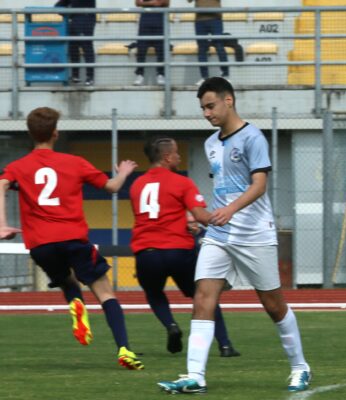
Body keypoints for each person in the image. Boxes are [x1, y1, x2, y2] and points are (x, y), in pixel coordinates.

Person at [157, 77, 311, 394]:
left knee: (272, 305)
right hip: (219, 234)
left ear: (229, 101)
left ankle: (300, 367)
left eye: (210, 106)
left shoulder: (253, 138)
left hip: (254, 233)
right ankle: (195, 376)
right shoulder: (210, 143)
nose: (207, 113)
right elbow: (222, 188)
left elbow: (259, 185)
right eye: (202, 108)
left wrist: (232, 209)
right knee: (202, 296)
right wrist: (206, 215)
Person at [0, 107, 143, 370]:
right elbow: (112, 187)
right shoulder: (74, 163)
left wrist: (3, 225)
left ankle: (75, 303)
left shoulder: (18, 167)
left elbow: (2, 184)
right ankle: (125, 350)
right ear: (55, 133)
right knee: (105, 292)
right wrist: (123, 172)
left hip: (41, 245)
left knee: (66, 280)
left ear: (30, 134)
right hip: (73, 239)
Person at [129, 137, 240, 357]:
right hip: (177, 249)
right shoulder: (182, 182)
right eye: (177, 153)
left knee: (154, 293)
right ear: (167, 157)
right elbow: (200, 216)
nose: (180, 157)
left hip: (146, 251)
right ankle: (225, 345)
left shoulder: (137, 185)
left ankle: (170, 325)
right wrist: (226, 218)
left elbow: (150, 217)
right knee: (204, 294)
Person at [188, 0, 229, 86]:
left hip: (215, 19)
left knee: (219, 46)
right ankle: (204, 77)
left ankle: (225, 75)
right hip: (200, 20)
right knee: (202, 49)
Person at [55, 0, 96, 86]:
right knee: (73, 47)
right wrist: (68, 13)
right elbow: (58, 5)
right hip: (74, 20)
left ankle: (90, 77)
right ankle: (75, 75)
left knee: (86, 46)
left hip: (86, 18)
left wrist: (68, 12)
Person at [133, 0, 169, 86]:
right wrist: (152, 3)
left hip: (159, 21)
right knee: (141, 49)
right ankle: (140, 74)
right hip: (145, 22)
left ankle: (160, 74)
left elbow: (165, 2)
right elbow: (137, 3)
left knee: (161, 49)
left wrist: (145, 3)